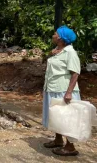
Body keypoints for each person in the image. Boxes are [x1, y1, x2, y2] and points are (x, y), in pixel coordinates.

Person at [42, 25, 81, 156]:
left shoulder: (70, 52)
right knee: (56, 116)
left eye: (55, 34)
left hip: (64, 90)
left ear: (60, 38)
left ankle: (70, 146)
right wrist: (51, 53)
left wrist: (69, 92)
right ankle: (58, 140)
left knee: (66, 117)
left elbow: (75, 73)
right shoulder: (57, 50)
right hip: (53, 88)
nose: (53, 35)